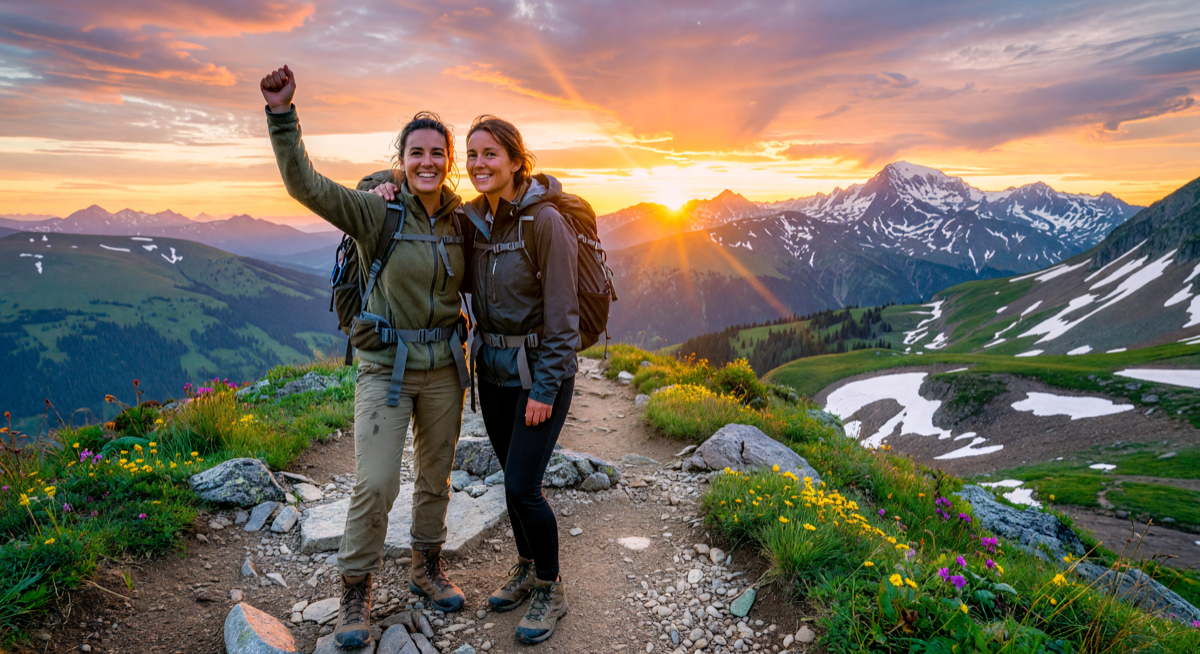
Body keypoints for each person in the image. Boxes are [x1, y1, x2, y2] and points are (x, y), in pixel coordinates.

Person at [260, 65, 475, 649]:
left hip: (446, 370)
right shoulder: (376, 212)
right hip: (385, 366)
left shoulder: (464, 221)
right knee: (376, 481)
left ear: (448, 161)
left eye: (437, 154)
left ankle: (426, 568)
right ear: (401, 159)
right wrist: (283, 115)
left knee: (436, 478)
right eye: (415, 153)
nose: (427, 162)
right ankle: (356, 587)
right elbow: (306, 185)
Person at [368, 115, 579, 643]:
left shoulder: (545, 223)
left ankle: (551, 589)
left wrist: (546, 389)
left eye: (491, 155)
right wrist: (378, 184)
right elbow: (422, 214)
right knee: (511, 484)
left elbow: (564, 318)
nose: (480, 165)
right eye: (474, 155)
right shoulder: (470, 220)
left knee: (522, 487)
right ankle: (527, 566)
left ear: (515, 160)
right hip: (493, 373)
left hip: (538, 376)